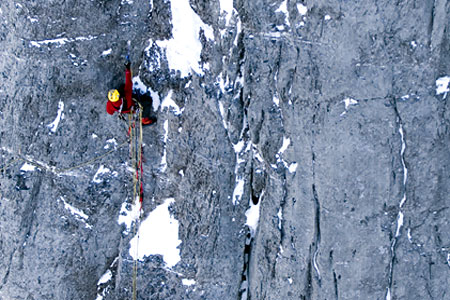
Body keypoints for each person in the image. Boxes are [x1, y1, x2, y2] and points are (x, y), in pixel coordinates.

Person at [106, 60, 157, 125]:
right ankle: (144, 119)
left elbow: (110, 112)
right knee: (147, 101)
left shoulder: (110, 104)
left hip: (127, 109)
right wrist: (128, 69)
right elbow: (128, 83)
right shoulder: (127, 95)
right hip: (131, 105)